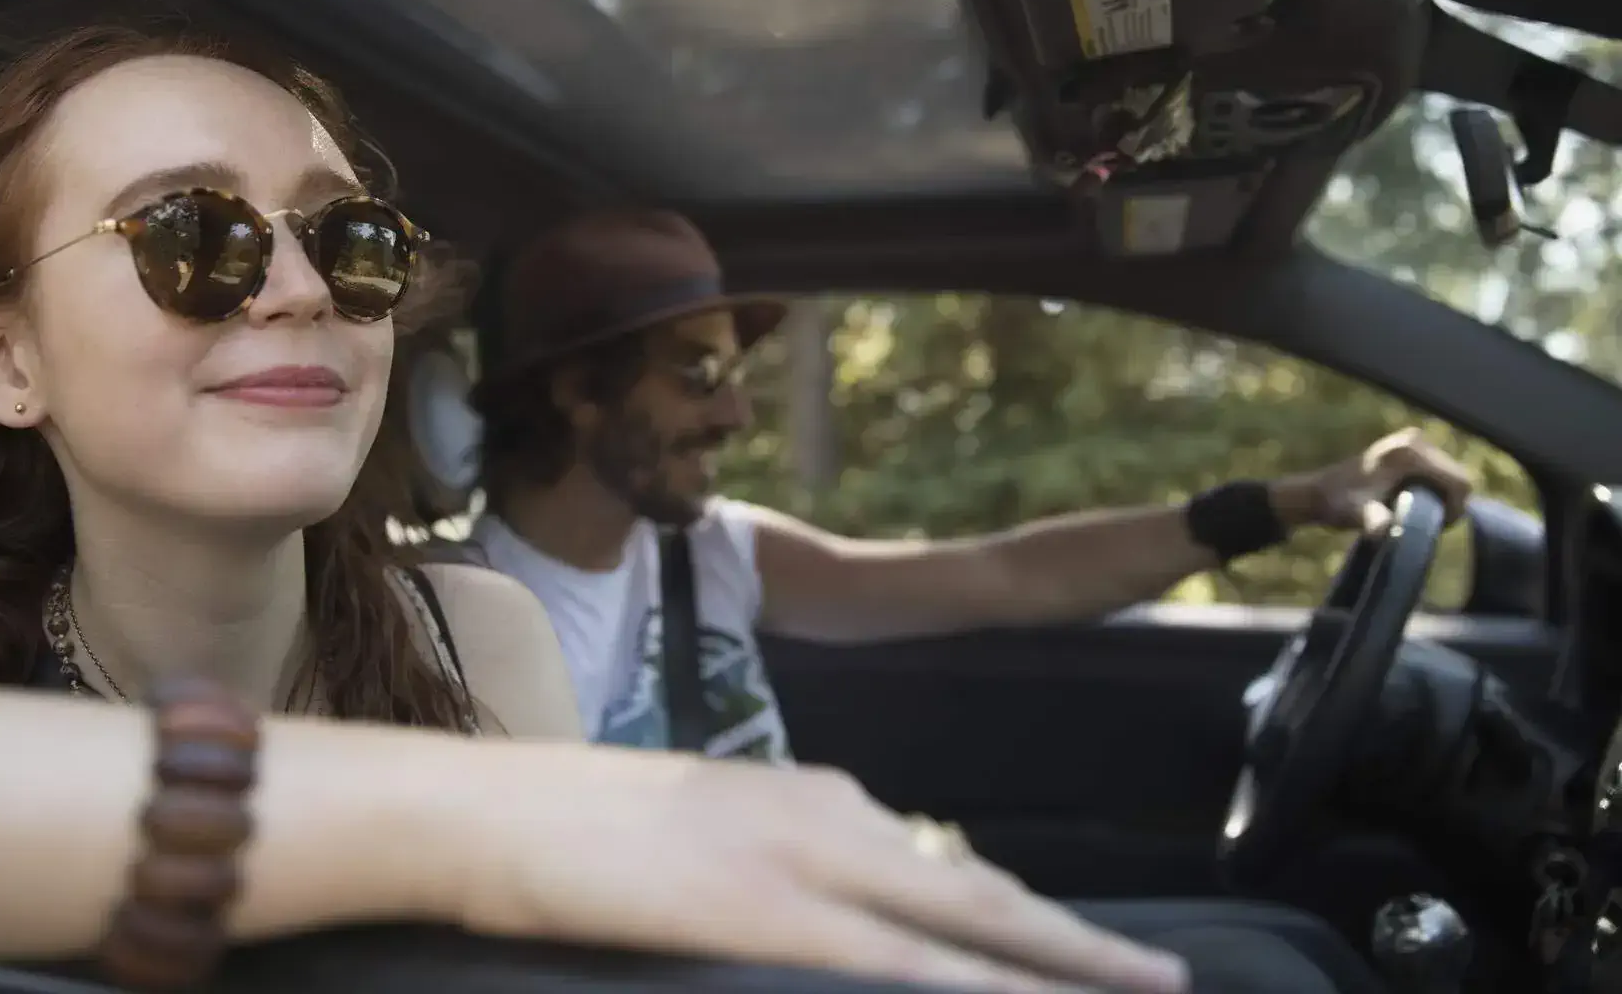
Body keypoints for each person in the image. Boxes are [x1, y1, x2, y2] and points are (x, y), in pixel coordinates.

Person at [0, 26, 1192, 994]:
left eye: (350, 240)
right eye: (195, 235)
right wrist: (488, 824)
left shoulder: (475, 638)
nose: (299, 289)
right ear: (4, 357)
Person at [462, 207, 1474, 762]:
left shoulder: (712, 553)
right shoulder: (448, 612)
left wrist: (1288, 502)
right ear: (578, 392)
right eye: (698, 374)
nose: (737, 415)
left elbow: (1006, 575)